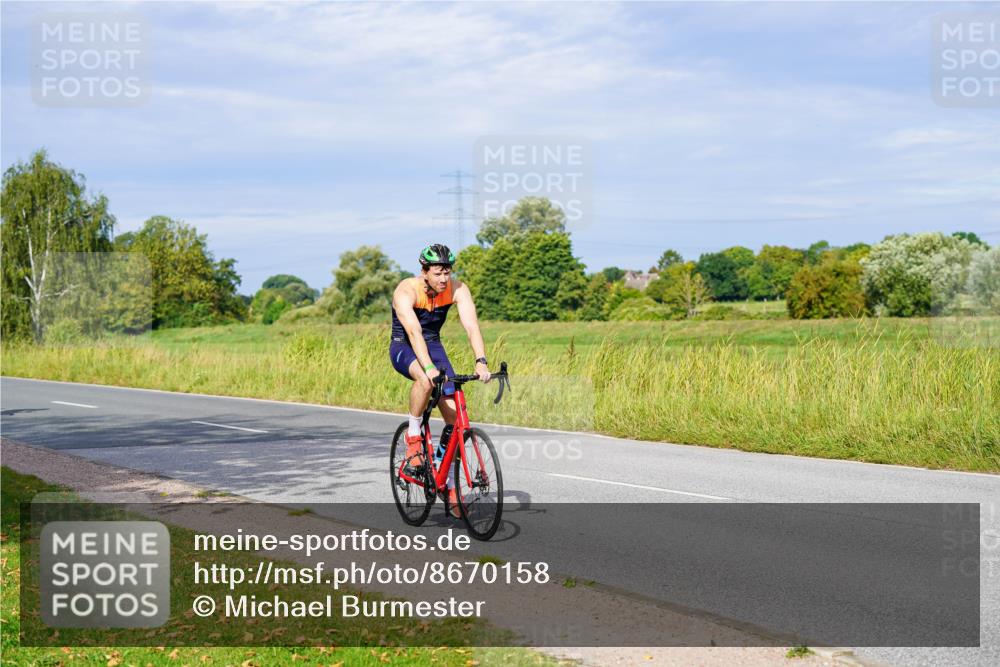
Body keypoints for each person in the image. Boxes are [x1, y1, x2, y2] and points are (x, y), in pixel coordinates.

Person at [389, 243, 490, 517]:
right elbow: (414, 333)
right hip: (404, 345)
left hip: (433, 344)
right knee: (425, 380)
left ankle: (447, 483)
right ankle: (413, 436)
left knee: (456, 420)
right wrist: (430, 368)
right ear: (424, 272)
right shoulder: (406, 291)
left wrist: (481, 360)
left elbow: (471, 326)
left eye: (447, 272)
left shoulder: (458, 289)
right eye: (438, 273)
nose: (444, 278)